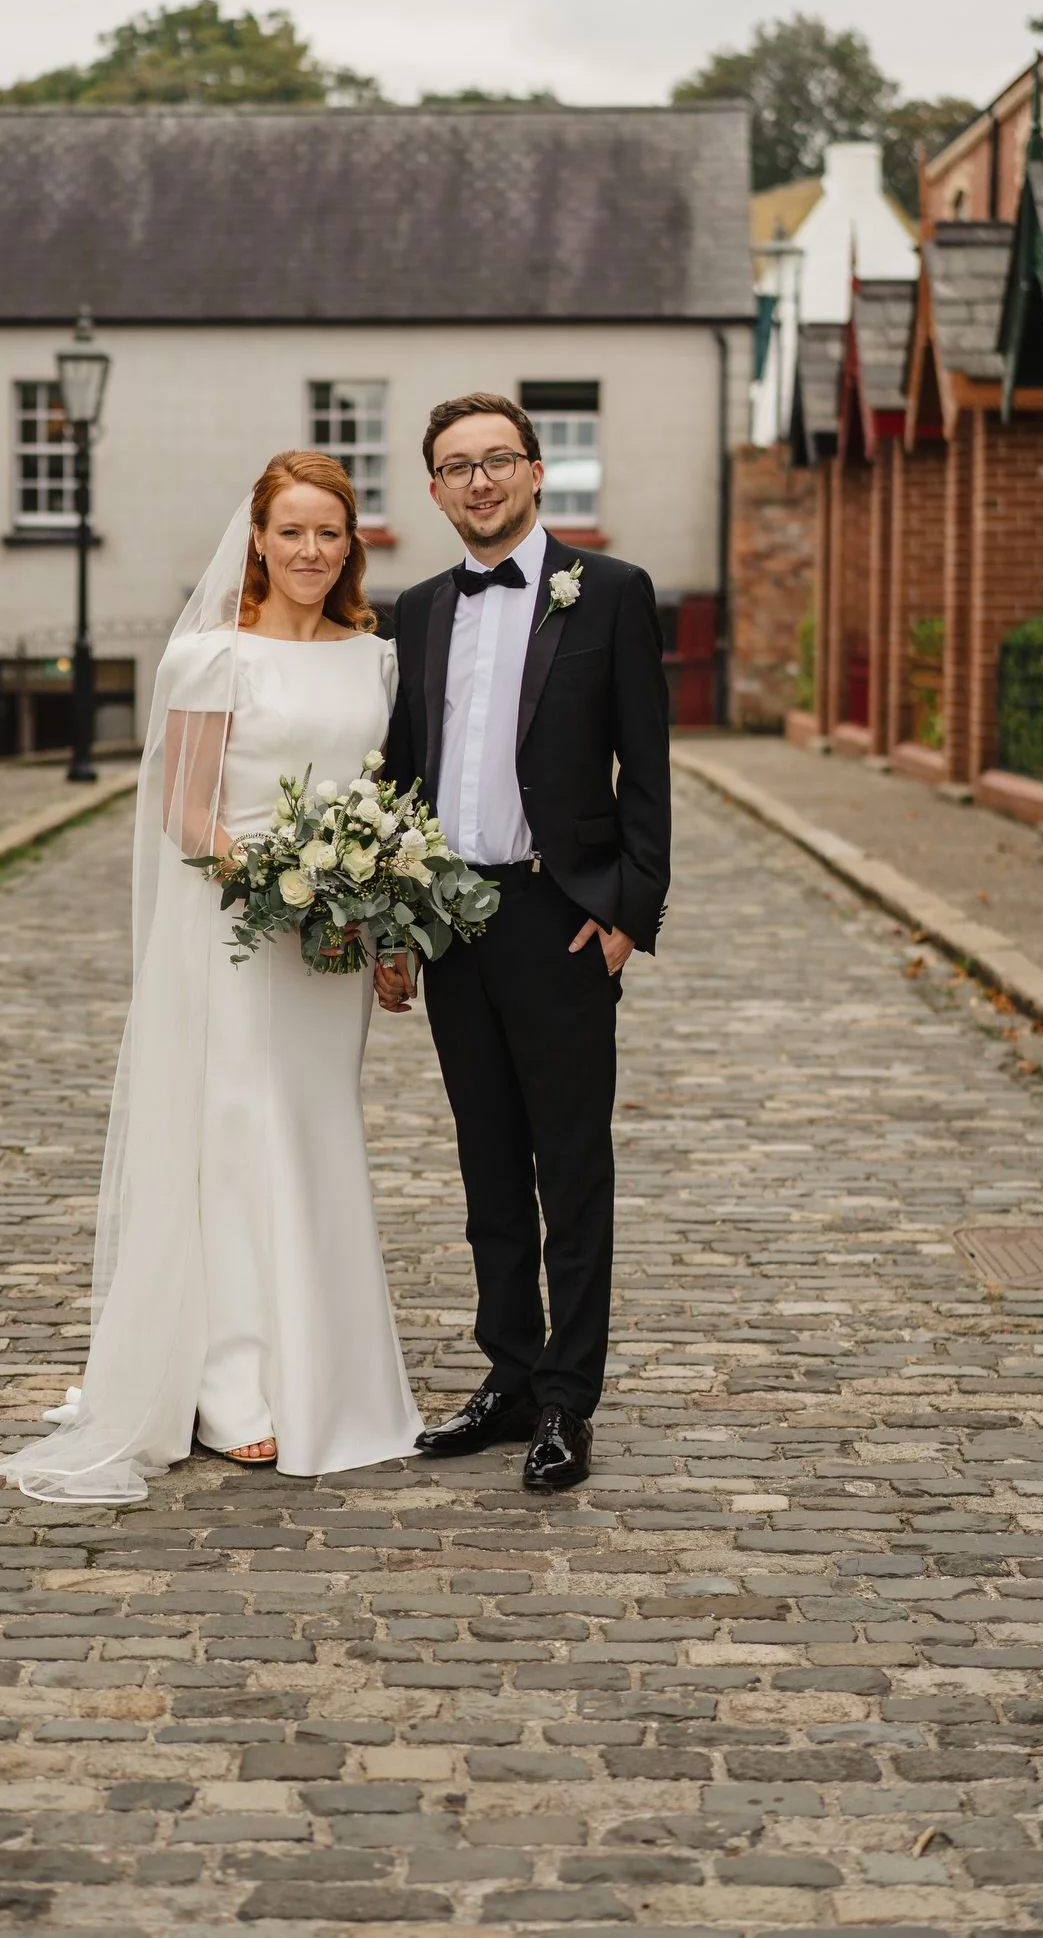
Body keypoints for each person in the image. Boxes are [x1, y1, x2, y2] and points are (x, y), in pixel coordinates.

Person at [0, 451, 421, 1503]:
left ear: (350, 544)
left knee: (314, 1134)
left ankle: (329, 1372)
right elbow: (185, 814)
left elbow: (385, 804)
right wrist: (288, 886)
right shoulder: (212, 660)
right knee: (233, 1135)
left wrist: (379, 924)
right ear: (258, 541)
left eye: (330, 532)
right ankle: (232, 1394)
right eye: (292, 532)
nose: (312, 551)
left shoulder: (376, 661)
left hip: (334, 950)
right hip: (242, 931)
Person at [377, 392, 670, 1493]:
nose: (480, 481)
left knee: (570, 1168)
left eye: (498, 460)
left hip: (558, 920)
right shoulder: (413, 608)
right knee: (486, 1163)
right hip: (450, 918)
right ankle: (507, 1376)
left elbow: (648, 769)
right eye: (457, 467)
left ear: (537, 471)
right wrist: (391, 926)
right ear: (437, 488)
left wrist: (629, 913)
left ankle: (566, 1402)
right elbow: (405, 774)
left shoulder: (611, 595)